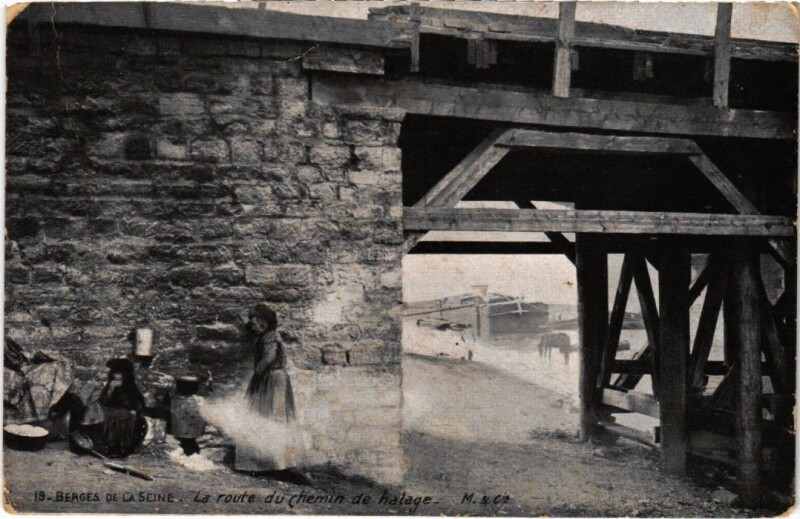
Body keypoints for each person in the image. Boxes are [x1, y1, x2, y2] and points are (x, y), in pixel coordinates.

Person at [83, 358, 147, 458]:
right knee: (106, 415)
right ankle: (108, 446)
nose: (116, 377)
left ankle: (123, 447)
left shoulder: (130, 386)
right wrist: (110, 390)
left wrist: (132, 409)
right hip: (111, 412)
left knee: (123, 415)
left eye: (119, 374)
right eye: (115, 373)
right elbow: (104, 402)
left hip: (126, 413)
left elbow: (137, 403)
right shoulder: (110, 385)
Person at [245, 304, 296, 421]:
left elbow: (269, 357)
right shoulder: (266, 336)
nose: (252, 327)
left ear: (264, 322)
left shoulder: (270, 337)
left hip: (273, 377)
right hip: (270, 376)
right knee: (266, 411)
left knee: (274, 412)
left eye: (254, 324)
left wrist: (258, 372)